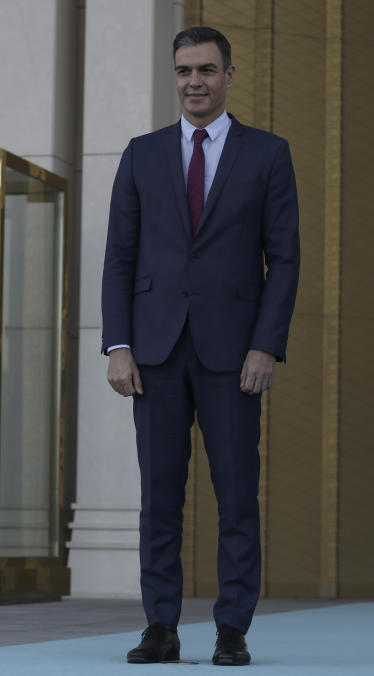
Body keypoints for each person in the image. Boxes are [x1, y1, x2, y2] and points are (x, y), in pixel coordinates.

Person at [101, 26, 299, 667]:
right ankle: (160, 626)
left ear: (229, 75)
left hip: (234, 354)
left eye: (207, 70)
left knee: (237, 495)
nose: (195, 82)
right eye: (185, 70)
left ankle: (233, 627)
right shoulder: (141, 153)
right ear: (175, 75)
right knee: (159, 497)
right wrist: (117, 345)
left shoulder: (268, 154)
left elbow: (285, 260)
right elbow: (119, 258)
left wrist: (267, 346)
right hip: (153, 353)